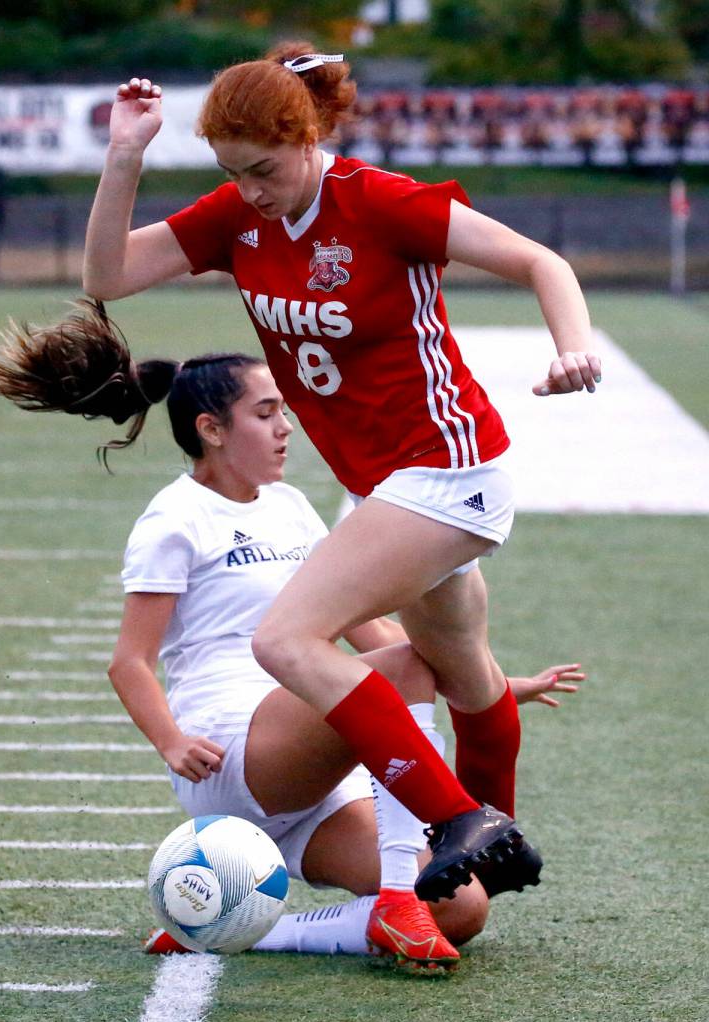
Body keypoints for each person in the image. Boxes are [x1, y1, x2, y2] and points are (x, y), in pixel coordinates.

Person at [82, 43, 601, 903]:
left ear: (309, 133)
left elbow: (543, 261)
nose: (250, 188)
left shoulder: (380, 201)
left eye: (264, 168)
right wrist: (127, 155)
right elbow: (106, 275)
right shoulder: (237, 218)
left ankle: (457, 819)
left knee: (283, 640)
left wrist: (573, 349)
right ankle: (492, 841)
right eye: (231, 171)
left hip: (447, 466)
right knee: (464, 667)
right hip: (385, 486)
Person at [0, 304, 584, 970]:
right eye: (265, 413)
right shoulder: (175, 517)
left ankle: (249, 930)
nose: (285, 427)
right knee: (406, 665)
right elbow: (130, 661)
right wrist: (171, 740)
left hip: (315, 774)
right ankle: (394, 897)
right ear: (211, 429)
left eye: (283, 410)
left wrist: (482, 687)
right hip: (234, 750)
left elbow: (362, 629)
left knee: (464, 906)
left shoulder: (291, 506)